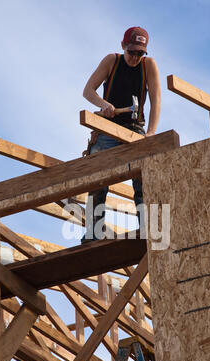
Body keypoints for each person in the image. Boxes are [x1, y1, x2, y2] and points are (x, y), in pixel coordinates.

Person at [81, 26, 161, 243]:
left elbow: (156, 101)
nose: (135, 58)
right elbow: (88, 90)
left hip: (134, 130)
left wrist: (151, 132)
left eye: (139, 53)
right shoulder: (111, 61)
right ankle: (93, 233)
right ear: (123, 46)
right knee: (97, 177)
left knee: (143, 179)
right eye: (132, 52)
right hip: (107, 128)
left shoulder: (149, 66)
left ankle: (147, 228)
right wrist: (103, 104)